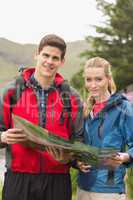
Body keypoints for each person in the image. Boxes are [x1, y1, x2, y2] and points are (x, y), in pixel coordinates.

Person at [0, 34, 83, 200]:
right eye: (45, 55)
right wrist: (3, 136)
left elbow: (79, 140)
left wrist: (71, 157)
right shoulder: (10, 91)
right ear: (36, 54)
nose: (49, 61)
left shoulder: (71, 96)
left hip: (57, 181)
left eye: (55, 58)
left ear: (62, 62)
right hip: (18, 180)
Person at [77, 57, 133, 200]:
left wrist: (125, 156)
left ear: (108, 79)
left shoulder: (123, 108)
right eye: (89, 80)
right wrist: (77, 161)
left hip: (110, 188)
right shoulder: (84, 110)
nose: (93, 85)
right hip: (83, 187)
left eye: (98, 79)